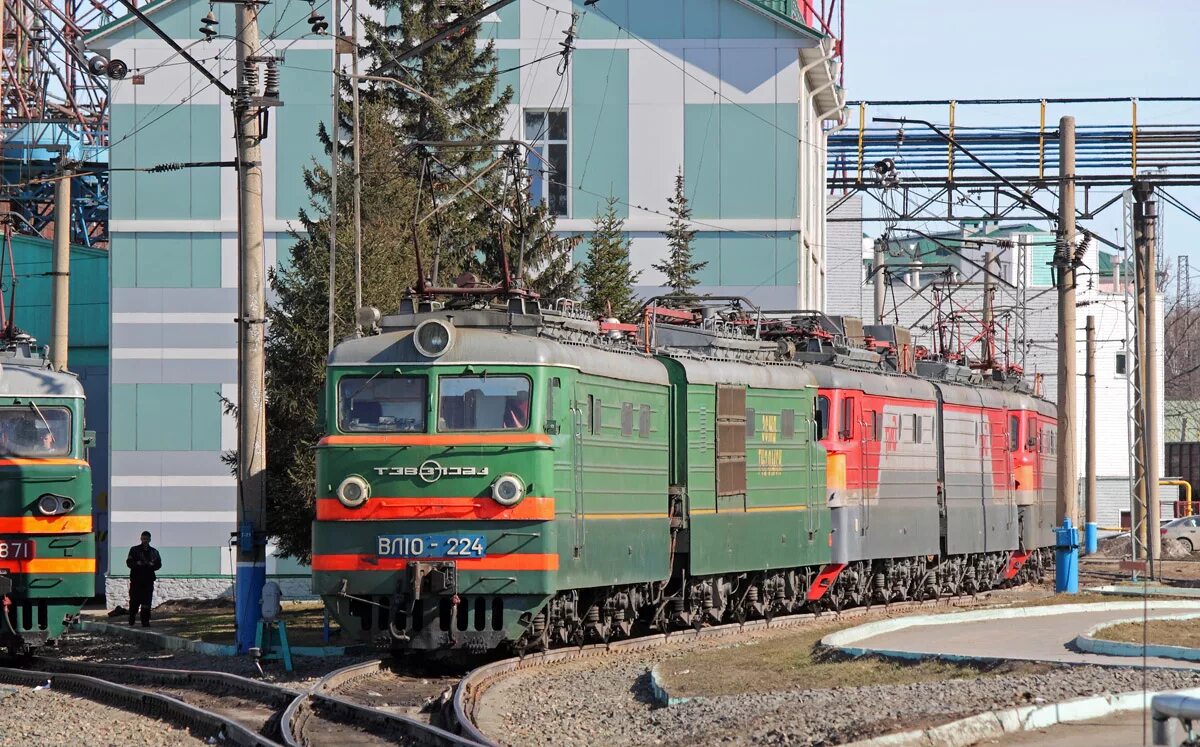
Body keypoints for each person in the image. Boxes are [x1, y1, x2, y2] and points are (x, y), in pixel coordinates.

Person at [126, 531, 162, 626]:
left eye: (147, 539)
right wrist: (137, 564)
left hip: (148, 581)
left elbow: (158, 564)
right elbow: (129, 563)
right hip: (136, 580)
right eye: (143, 539)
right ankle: (132, 617)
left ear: (150, 540)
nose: (145, 541)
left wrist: (152, 565)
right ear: (141, 539)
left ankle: (145, 621)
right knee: (134, 601)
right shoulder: (134, 550)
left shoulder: (154, 552)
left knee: (147, 602)